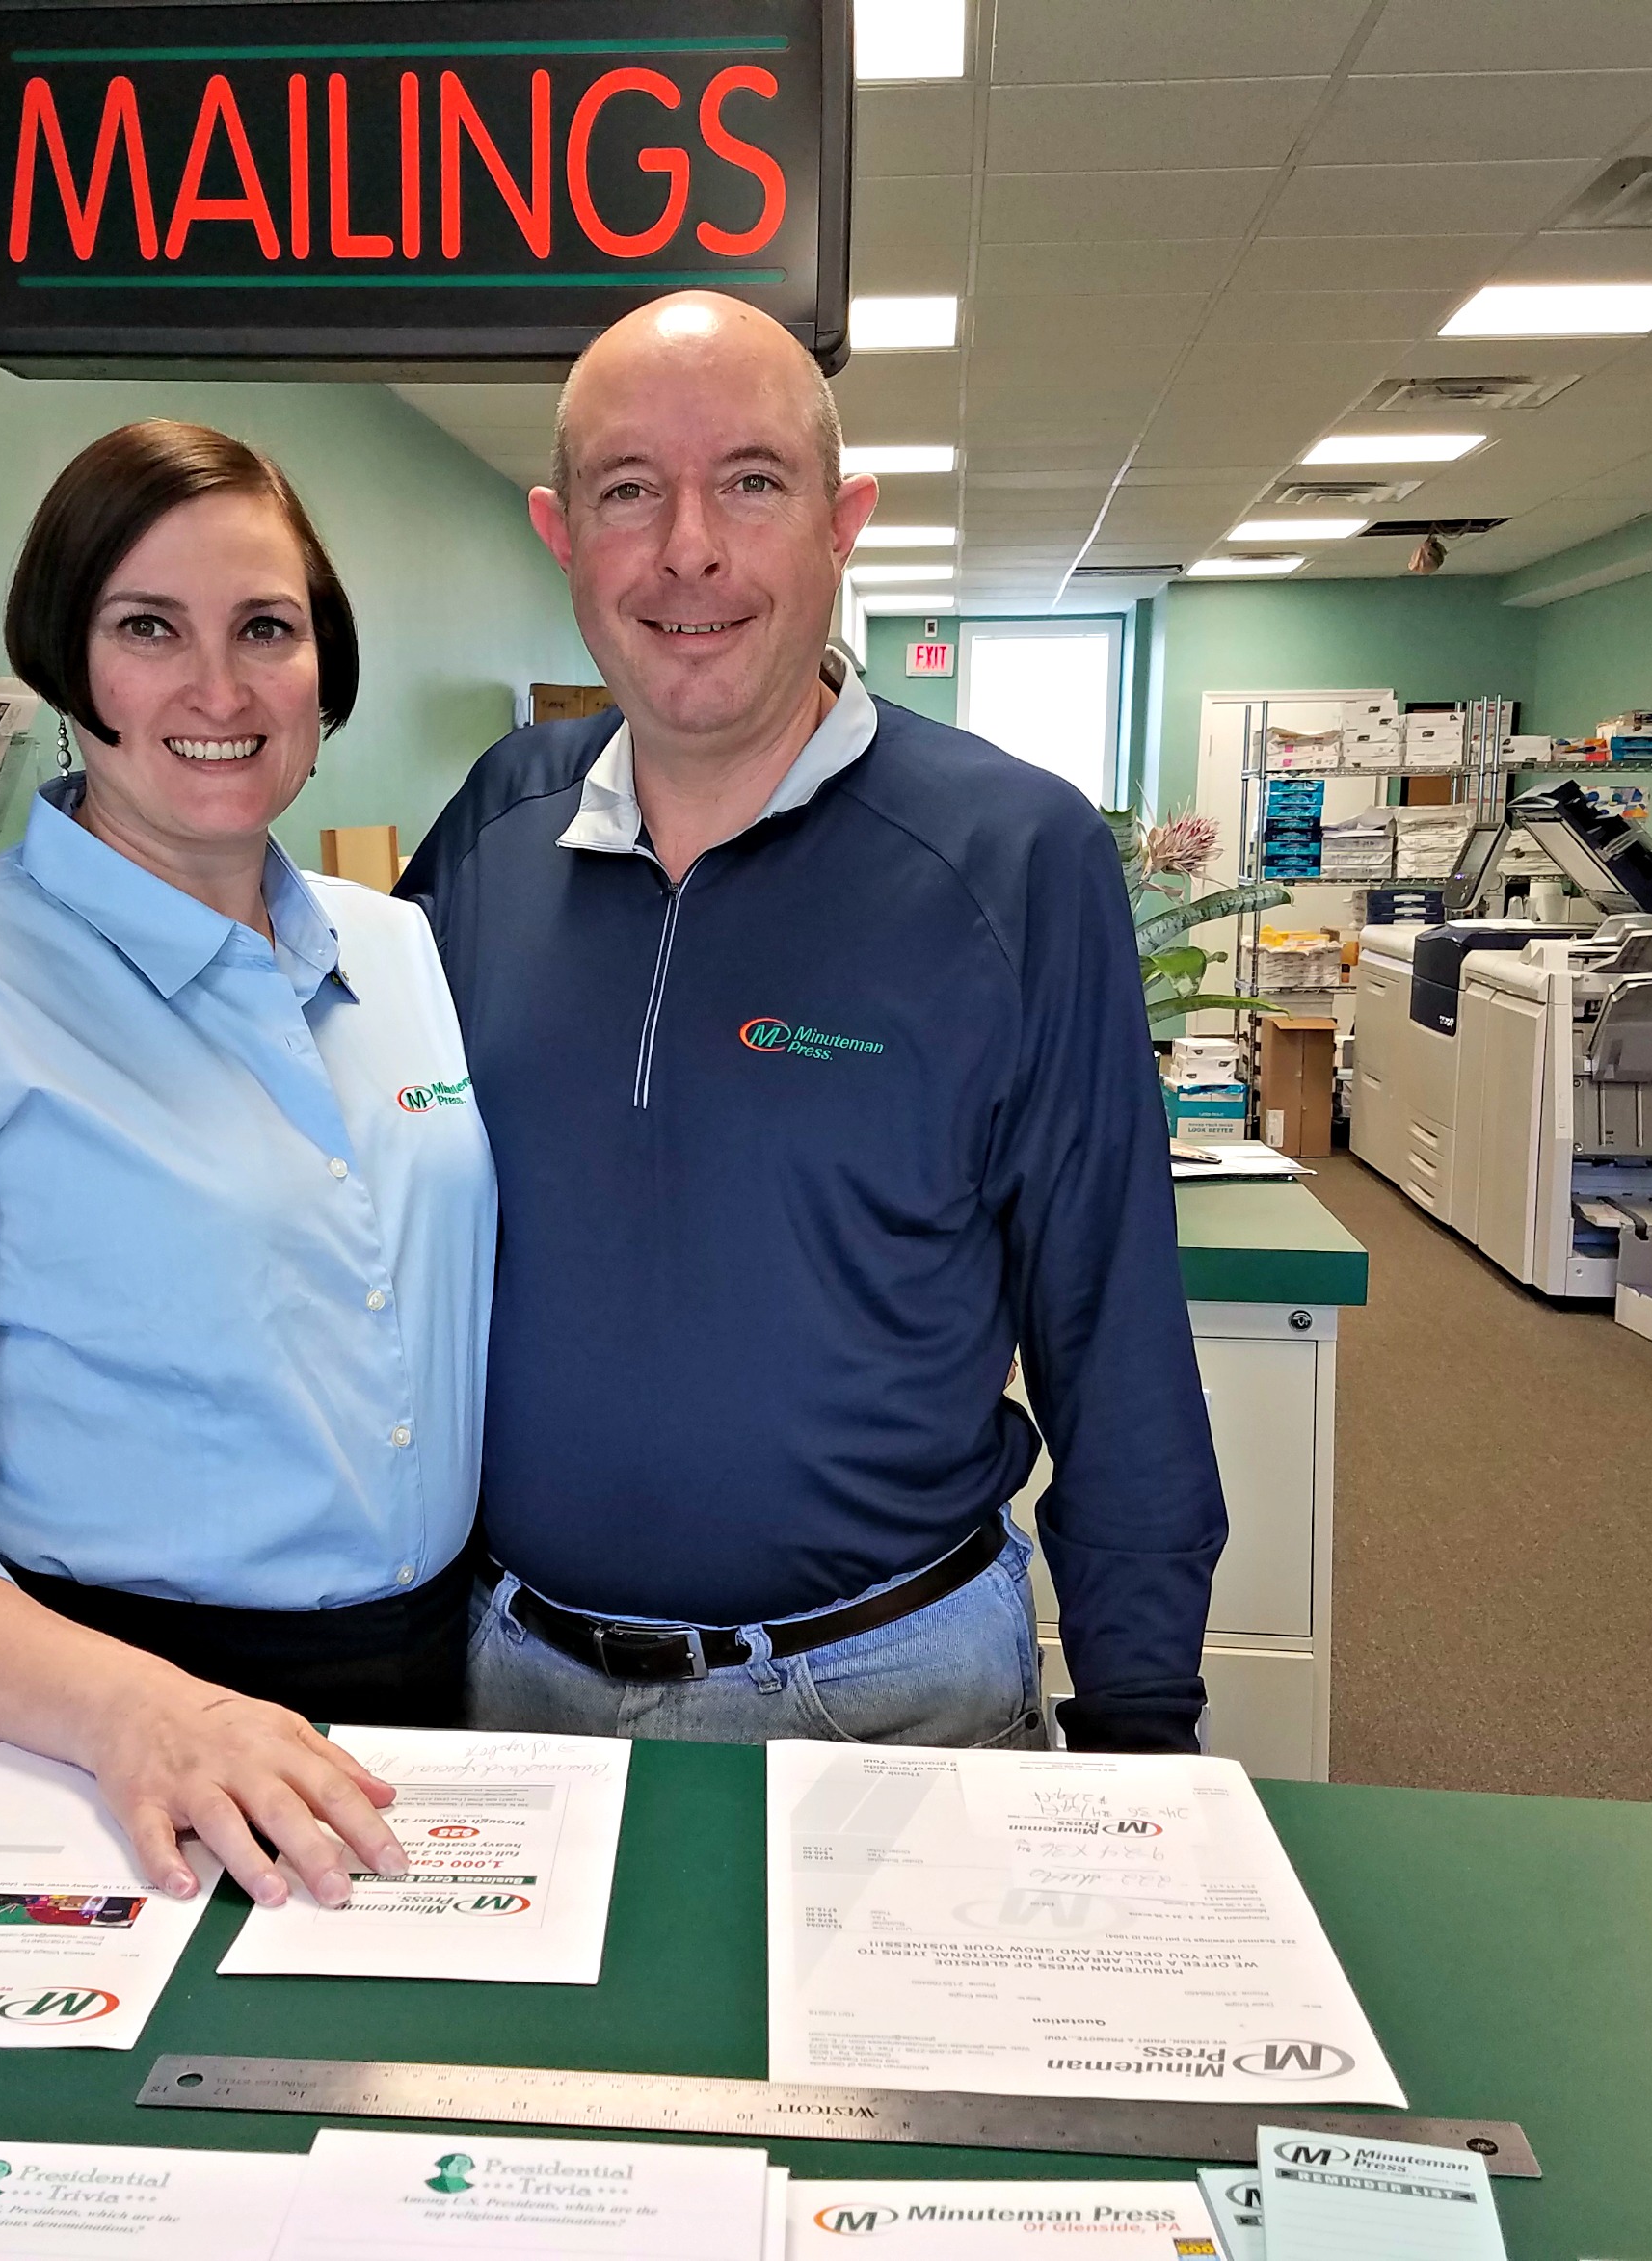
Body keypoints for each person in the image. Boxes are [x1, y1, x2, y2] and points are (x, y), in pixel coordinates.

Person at [395, 292, 1230, 1755]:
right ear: (562, 532)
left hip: (889, 1695)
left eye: (754, 482)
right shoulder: (494, 823)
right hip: (513, 1688)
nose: (690, 547)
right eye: (630, 491)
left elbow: (1110, 1321)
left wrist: (1144, 1722)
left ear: (843, 522)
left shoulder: (1012, 855)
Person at [0, 421, 494, 1909]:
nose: (217, 688)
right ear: (70, 667)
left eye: (266, 628)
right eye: (149, 628)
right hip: (101, 1725)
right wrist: (136, 1710)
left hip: (424, 1692)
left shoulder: (398, 951)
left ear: (325, 669)